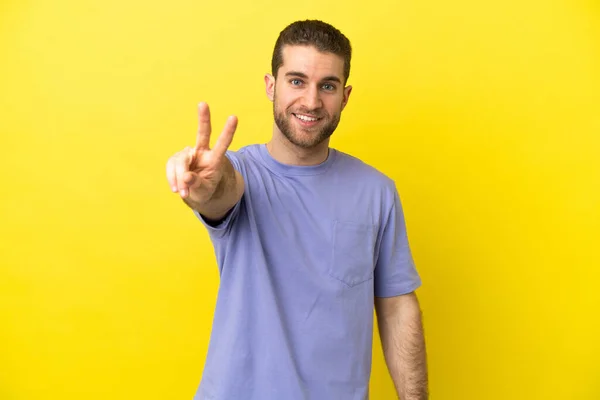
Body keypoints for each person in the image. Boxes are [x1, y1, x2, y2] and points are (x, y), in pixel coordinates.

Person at [166, 19, 428, 400]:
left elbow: (397, 308)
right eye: (296, 81)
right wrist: (203, 186)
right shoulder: (242, 175)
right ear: (271, 86)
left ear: (346, 95)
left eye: (327, 86)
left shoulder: (377, 191)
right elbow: (221, 192)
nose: (311, 101)